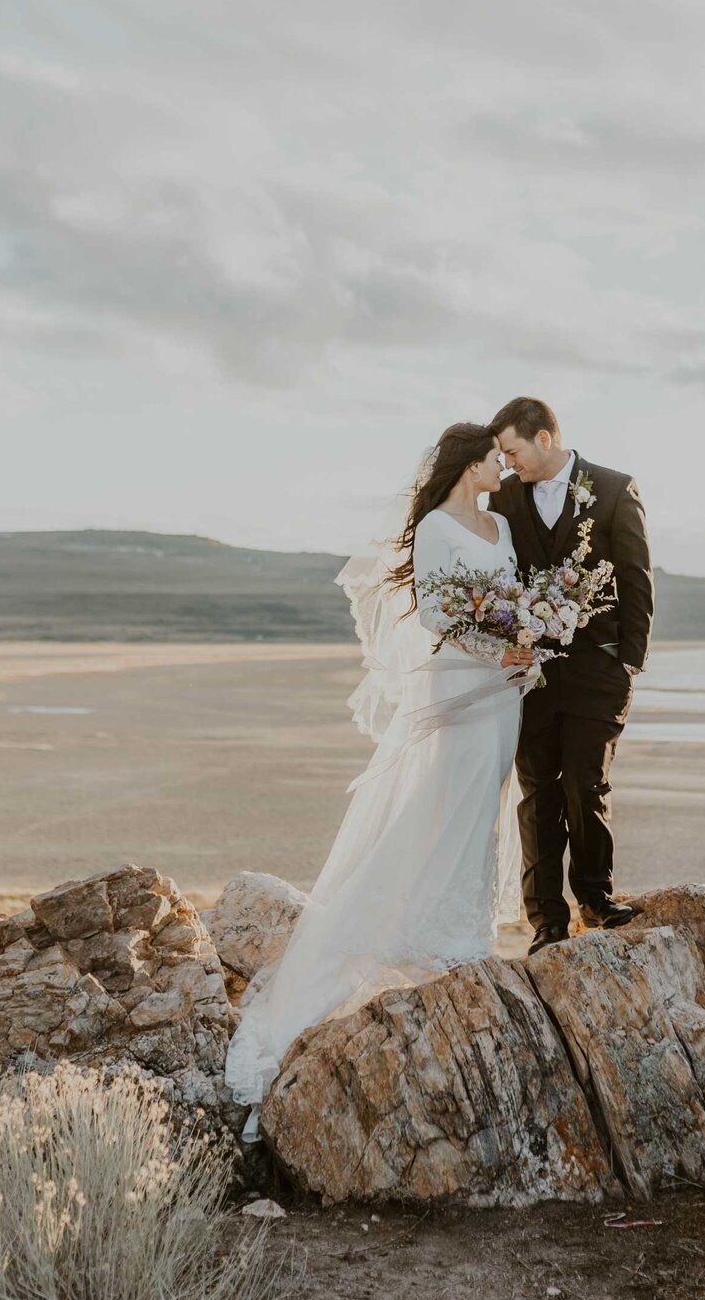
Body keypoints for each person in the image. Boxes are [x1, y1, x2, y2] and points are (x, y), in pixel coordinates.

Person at [224, 422, 536, 1137]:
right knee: (443, 800)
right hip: (460, 680)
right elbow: (436, 610)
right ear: (469, 462)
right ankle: (423, 930)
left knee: (482, 805)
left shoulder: (500, 524)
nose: (502, 467)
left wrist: (524, 643)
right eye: (494, 458)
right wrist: (498, 644)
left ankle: (463, 929)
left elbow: (511, 593)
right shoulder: (435, 526)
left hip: (503, 691)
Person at [488, 397, 654, 955]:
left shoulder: (612, 489)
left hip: (598, 669)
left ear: (544, 438)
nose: (508, 463)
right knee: (538, 795)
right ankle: (547, 924)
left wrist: (629, 659)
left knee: (587, 784)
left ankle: (596, 899)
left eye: (512, 450)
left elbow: (636, 578)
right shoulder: (505, 498)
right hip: (530, 673)